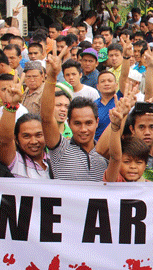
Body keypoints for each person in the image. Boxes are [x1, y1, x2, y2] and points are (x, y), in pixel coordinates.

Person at [40, 44, 108, 181]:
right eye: (77, 123)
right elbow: (46, 118)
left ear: (97, 122)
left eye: (88, 123)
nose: (83, 129)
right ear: (69, 123)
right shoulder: (60, 149)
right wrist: (52, 77)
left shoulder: (105, 153)